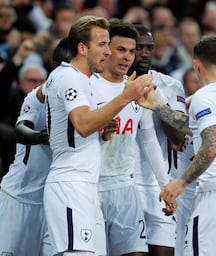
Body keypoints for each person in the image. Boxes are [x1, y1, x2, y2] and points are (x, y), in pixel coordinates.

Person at [138, 34, 216, 256]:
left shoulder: (203, 97)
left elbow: (211, 146)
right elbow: (196, 125)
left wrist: (181, 183)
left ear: (196, 65)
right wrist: (159, 107)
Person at [43, 15, 153, 255]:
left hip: (87, 185)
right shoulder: (69, 77)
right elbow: (81, 124)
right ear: (83, 48)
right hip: (71, 184)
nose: (108, 51)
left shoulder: (78, 79)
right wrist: (126, 96)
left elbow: (79, 128)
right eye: (102, 44)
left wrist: (103, 133)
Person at [0, 37, 71, 256]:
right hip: (20, 197)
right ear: (55, 66)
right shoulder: (36, 97)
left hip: (54, 201)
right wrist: (41, 137)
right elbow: (20, 130)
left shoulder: (83, 103)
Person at [90, 20, 166, 256]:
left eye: (131, 51)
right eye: (121, 50)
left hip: (125, 186)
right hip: (92, 185)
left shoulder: (137, 88)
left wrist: (166, 186)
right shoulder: (88, 85)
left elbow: (149, 139)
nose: (128, 57)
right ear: (106, 49)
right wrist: (100, 132)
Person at [128, 23, 186, 256]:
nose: (143, 53)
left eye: (148, 48)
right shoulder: (112, 85)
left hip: (158, 188)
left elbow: (179, 138)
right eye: (137, 47)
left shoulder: (170, 85)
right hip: (125, 185)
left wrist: (158, 102)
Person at [170, 67, 200, 256]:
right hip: (179, 195)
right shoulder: (175, 118)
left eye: (200, 81)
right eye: (193, 82)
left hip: (205, 193)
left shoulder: (210, 114)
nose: (197, 86)